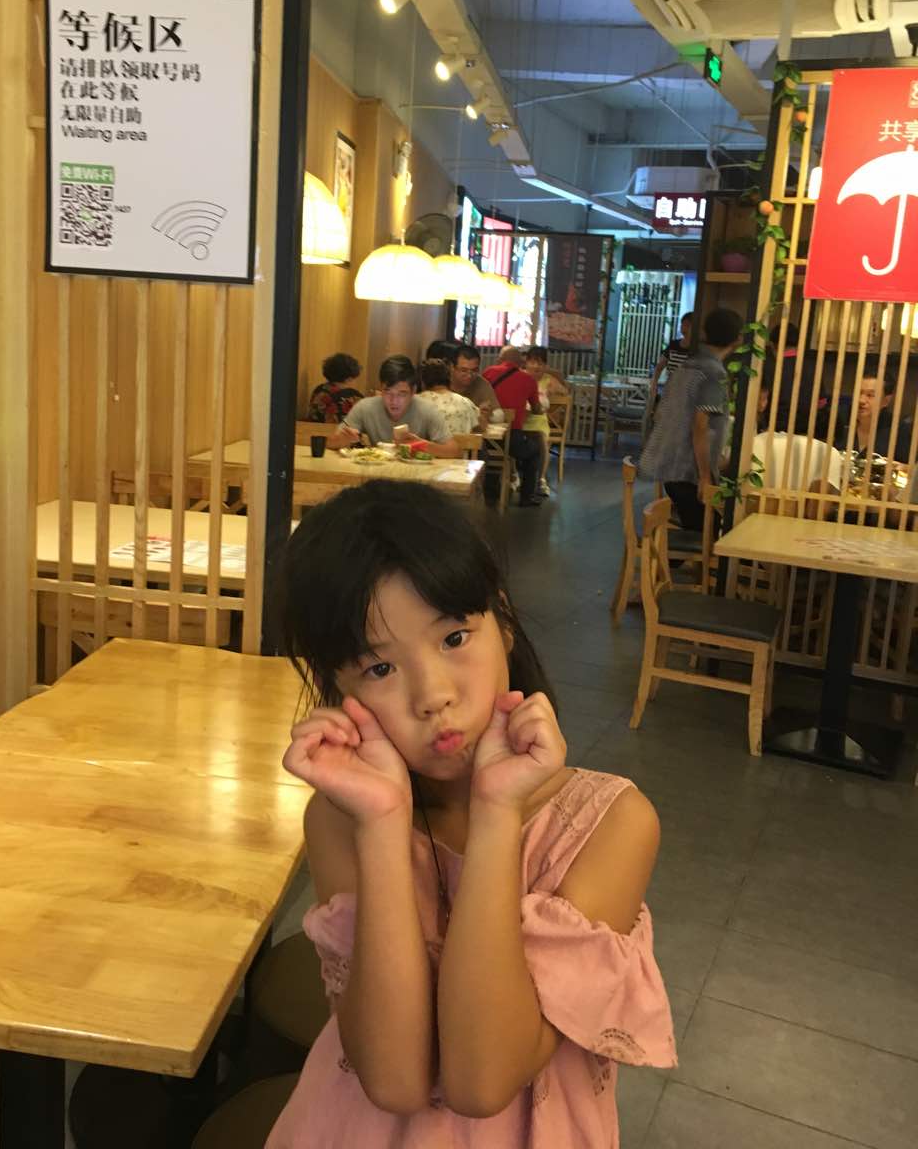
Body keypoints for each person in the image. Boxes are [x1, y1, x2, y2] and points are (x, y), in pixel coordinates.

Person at [267, 481, 675, 1149]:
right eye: (378, 669)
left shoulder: (614, 824)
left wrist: (496, 814)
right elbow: (394, 1081)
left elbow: (482, 1083)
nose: (433, 695)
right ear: (337, 687)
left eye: (454, 636)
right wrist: (383, 821)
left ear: (503, 621)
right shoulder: (343, 820)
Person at [639, 306, 744, 531]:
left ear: (705, 333)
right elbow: (700, 426)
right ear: (737, 339)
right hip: (689, 473)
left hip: (672, 467)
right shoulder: (713, 372)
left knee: (697, 526)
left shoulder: (688, 365)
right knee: (711, 532)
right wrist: (705, 476)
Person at [328, 355, 458, 457]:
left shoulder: (427, 410)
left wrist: (421, 445)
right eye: (388, 392)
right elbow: (330, 443)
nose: (394, 401)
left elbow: (454, 451)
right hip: (377, 474)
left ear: (413, 391)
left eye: (402, 394)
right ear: (381, 388)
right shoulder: (365, 407)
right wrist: (343, 439)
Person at [484, 347, 544, 507]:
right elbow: (536, 409)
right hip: (511, 437)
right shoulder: (529, 380)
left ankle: (491, 489)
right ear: (520, 362)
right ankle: (527, 496)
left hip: (485, 436)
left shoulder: (488, 372)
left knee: (491, 453)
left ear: (501, 358)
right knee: (534, 450)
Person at [835, 357, 913, 462]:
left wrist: (904, 468)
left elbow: (910, 467)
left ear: (886, 401)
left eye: (870, 395)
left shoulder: (899, 431)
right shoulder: (838, 420)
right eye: (859, 393)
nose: (861, 400)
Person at [523, 347, 564, 497]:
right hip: (521, 419)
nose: (536, 366)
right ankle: (514, 476)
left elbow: (566, 393)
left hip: (539, 421)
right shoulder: (520, 377)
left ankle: (541, 479)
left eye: (540, 363)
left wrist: (553, 403)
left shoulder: (549, 380)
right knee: (513, 437)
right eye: (532, 362)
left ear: (545, 365)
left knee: (542, 442)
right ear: (526, 362)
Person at [417, 358, 482, 434]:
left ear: (422, 382)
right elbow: (481, 427)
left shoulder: (417, 402)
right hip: (463, 442)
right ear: (449, 378)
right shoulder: (466, 402)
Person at [307, 353, 363, 425]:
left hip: (312, 429)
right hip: (335, 430)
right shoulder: (349, 397)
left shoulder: (319, 389)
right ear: (348, 379)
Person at [449, 343, 497, 421]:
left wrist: (490, 414)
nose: (469, 375)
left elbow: (499, 413)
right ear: (452, 367)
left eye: (474, 370)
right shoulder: (440, 382)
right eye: (464, 370)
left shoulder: (481, 383)